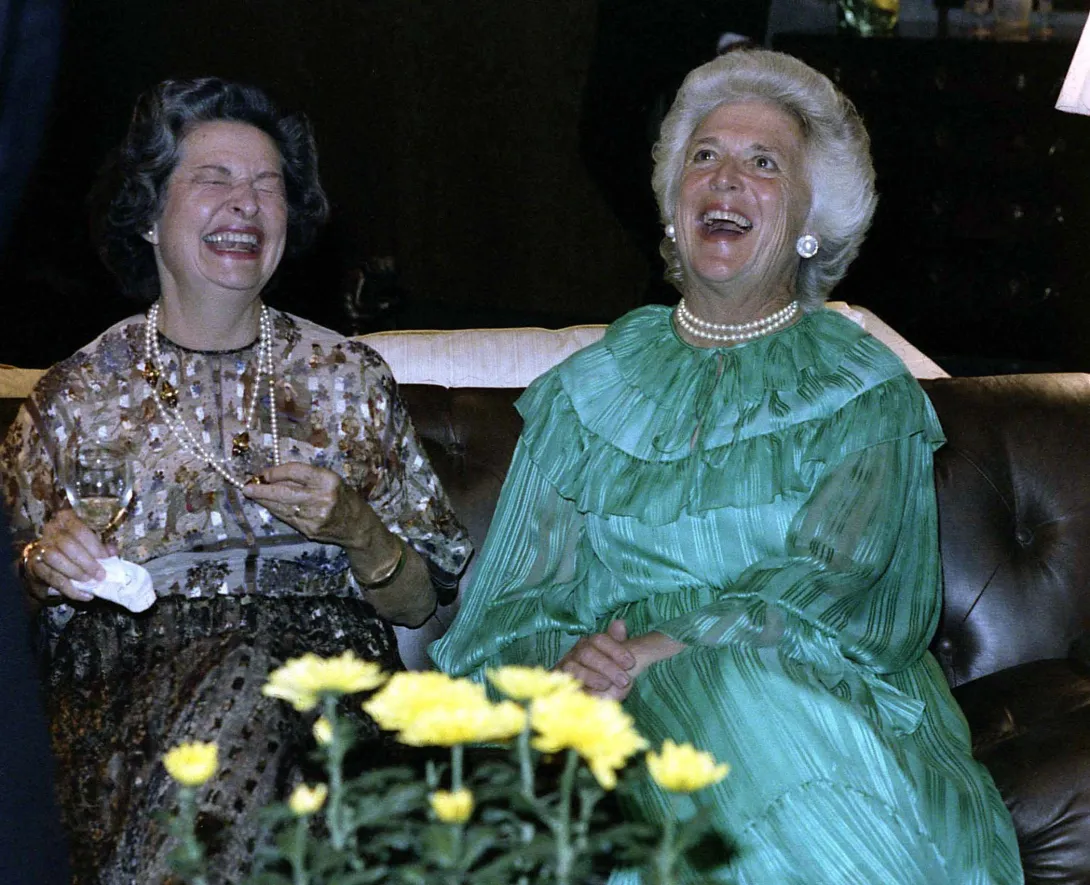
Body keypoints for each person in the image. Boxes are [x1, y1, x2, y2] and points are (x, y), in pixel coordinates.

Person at [431, 50, 1022, 884]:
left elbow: (849, 588)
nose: (725, 179)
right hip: (635, 699)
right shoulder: (585, 392)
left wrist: (664, 648)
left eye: (763, 162)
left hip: (816, 682)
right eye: (704, 156)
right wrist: (575, 663)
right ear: (673, 209)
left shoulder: (864, 386)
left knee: (748, 701)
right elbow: (516, 600)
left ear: (812, 218)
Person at [1, 77, 472, 885]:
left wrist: (359, 529)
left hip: (332, 700)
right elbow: (20, 597)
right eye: (213, 179)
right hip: (129, 703)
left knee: (271, 684)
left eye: (267, 186)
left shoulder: (349, 380)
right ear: (149, 215)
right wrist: (45, 567)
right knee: (245, 675)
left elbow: (423, 603)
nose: (245, 204)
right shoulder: (75, 396)